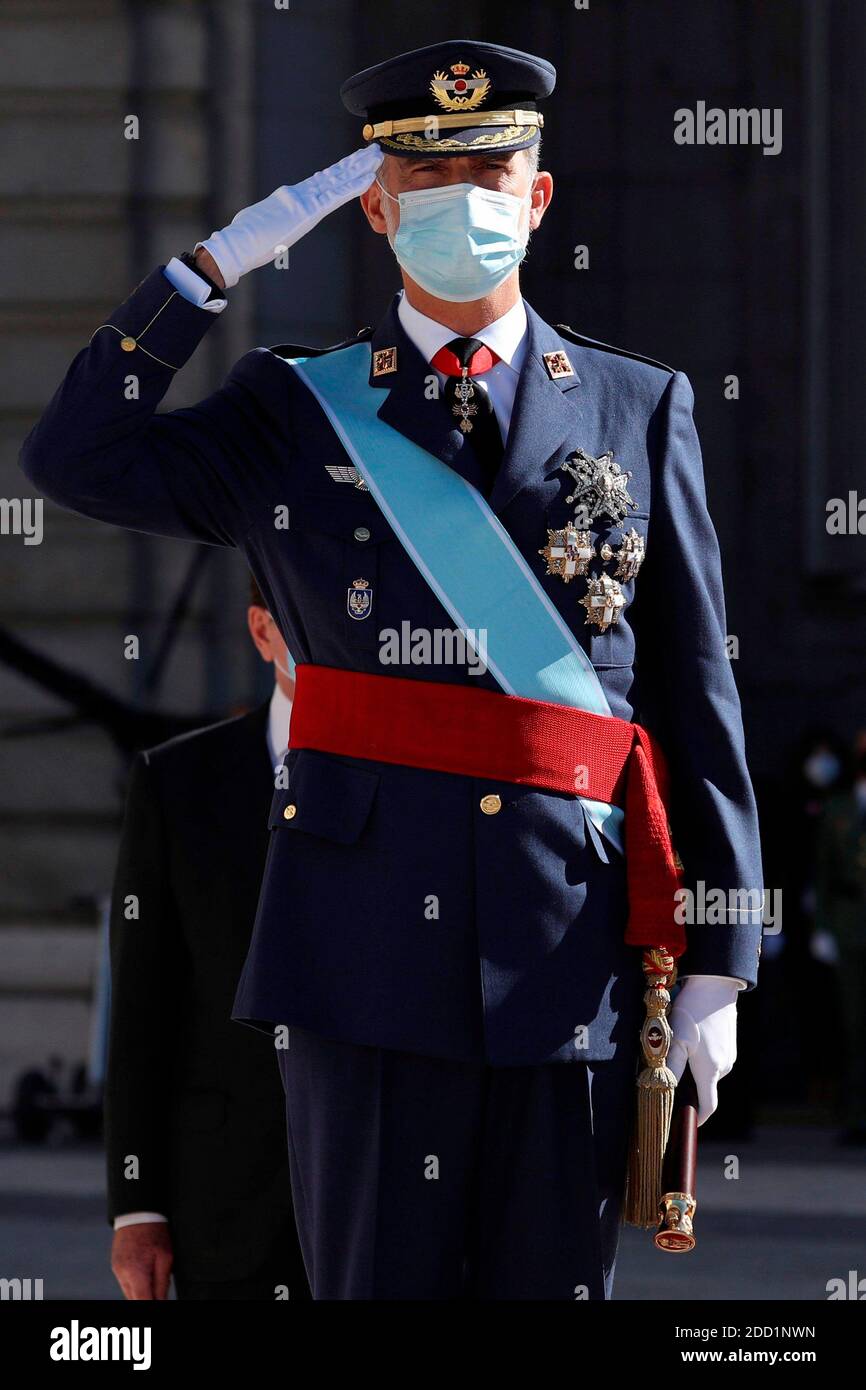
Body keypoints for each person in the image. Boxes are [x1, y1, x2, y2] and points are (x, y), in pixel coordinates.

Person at [21, 39, 763, 1300]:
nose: (460, 200)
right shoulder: (290, 409)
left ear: (536, 198)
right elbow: (72, 459)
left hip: (564, 947)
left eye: (490, 171)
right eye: (425, 177)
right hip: (357, 955)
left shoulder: (638, 405)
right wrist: (207, 273)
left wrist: (717, 947)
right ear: (372, 206)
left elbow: (693, 692)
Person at [105, 579, 310, 1301]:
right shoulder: (177, 781)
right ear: (262, 632)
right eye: (304, 611)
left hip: (385, 1199)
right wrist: (138, 1208)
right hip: (226, 1206)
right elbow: (140, 1011)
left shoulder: (421, 778)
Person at [815, 746, 866, 1144]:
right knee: (853, 1026)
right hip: (850, 926)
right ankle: (855, 1117)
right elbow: (823, 873)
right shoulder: (838, 808)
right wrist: (823, 928)